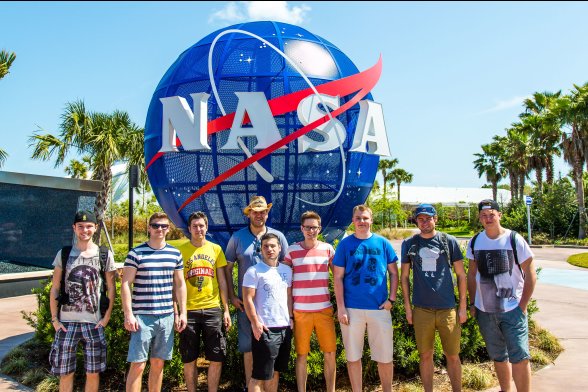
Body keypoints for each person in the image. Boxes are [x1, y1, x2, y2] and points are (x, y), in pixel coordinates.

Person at [467, 199, 537, 392]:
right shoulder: (475, 241)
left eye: (492, 215)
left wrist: (522, 306)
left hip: (512, 310)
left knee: (520, 356)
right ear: (479, 218)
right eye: (484, 215)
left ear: (499, 215)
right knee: (498, 355)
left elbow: (531, 275)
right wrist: (473, 303)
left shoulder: (514, 239)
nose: (488, 218)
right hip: (485, 311)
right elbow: (471, 274)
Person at [400, 204, 467, 392]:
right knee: (425, 355)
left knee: (453, 355)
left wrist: (462, 307)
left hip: (448, 308)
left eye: (428, 218)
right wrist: (407, 307)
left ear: (435, 219)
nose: (425, 222)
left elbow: (461, 275)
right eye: (420, 219)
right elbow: (404, 277)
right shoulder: (410, 244)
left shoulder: (449, 241)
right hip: (421, 309)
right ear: (416, 221)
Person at [225, 195, 288, 390]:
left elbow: (285, 268)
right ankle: (249, 386)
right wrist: (232, 296)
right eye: (255, 211)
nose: (259, 215)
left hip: (272, 307)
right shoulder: (237, 237)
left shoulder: (278, 237)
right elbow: (227, 268)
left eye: (263, 212)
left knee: (271, 351)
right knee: (248, 348)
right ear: (249, 213)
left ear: (267, 214)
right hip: (247, 304)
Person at [333, 204, 399, 392]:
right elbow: (337, 277)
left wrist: (391, 300)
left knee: (385, 357)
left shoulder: (383, 243)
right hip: (352, 309)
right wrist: (341, 307)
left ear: (371, 220)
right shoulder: (345, 245)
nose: (362, 221)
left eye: (365, 218)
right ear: (353, 221)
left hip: (379, 309)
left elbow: (394, 273)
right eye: (358, 218)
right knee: (353, 357)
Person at [49, 210, 116, 392]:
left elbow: (111, 287)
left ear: (95, 228)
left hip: (93, 323)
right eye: (80, 226)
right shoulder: (64, 254)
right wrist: (55, 320)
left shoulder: (104, 255)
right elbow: (55, 287)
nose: (84, 230)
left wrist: (106, 318)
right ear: (74, 228)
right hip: (66, 323)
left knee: (93, 372)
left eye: (88, 226)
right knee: (65, 372)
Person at [121, 212, 187, 392]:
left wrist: (182, 313)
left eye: (164, 226)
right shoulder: (136, 253)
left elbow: (180, 285)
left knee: (158, 364)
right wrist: (129, 314)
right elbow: (125, 284)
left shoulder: (175, 254)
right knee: (138, 365)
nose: (160, 229)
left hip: (166, 316)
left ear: (168, 229)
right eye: (156, 225)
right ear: (149, 228)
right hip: (142, 317)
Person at [177, 211, 232, 392]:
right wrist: (178, 311)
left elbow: (222, 281)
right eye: (195, 226)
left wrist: (225, 310)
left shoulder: (216, 249)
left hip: (212, 309)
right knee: (189, 358)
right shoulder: (181, 251)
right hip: (189, 311)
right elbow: (176, 283)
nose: (198, 229)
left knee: (216, 357)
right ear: (189, 229)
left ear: (206, 227)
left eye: (201, 225)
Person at [284, 211, 337, 392]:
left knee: (330, 353)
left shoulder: (328, 249)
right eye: (307, 227)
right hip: (300, 312)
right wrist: (289, 313)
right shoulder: (291, 251)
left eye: (314, 227)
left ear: (319, 229)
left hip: (324, 310)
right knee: (301, 355)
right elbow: (285, 284)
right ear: (302, 228)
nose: (311, 231)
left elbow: (338, 278)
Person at [242, 233, 293, 392]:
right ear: (261, 250)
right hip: (265, 329)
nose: (269, 249)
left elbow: (289, 296)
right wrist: (255, 322)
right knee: (259, 376)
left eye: (273, 246)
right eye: (265, 246)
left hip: (284, 328)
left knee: (275, 372)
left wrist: (290, 318)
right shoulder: (254, 271)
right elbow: (248, 299)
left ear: (279, 248)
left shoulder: (287, 270)